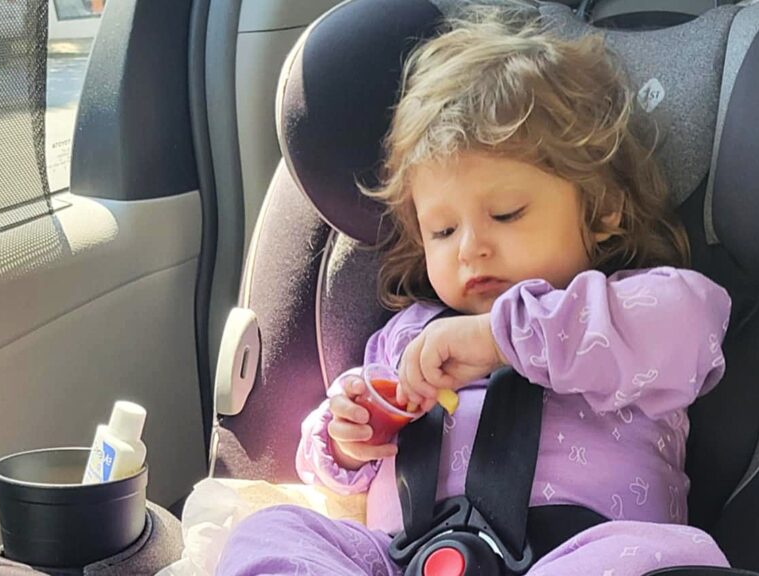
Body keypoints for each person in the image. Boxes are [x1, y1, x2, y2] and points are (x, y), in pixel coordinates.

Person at [217, 5, 732, 575]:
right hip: (404, 558)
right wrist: (345, 438)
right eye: (442, 230)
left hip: (578, 550)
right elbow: (338, 461)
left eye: (506, 214)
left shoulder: (633, 305)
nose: (469, 249)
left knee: (659, 561)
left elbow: (693, 332)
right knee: (272, 532)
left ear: (603, 209)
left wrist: (499, 338)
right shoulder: (407, 337)